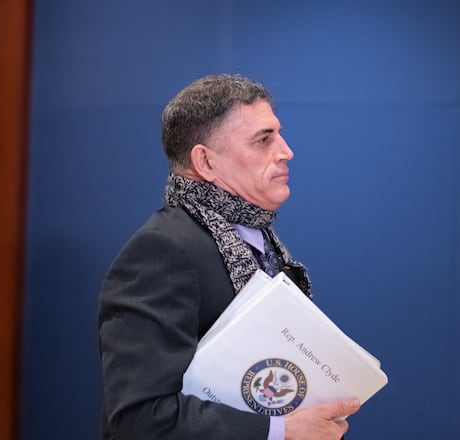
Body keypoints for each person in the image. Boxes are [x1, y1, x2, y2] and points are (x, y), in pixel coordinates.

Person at [98, 74, 359, 439]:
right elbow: (141, 418)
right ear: (205, 162)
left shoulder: (258, 240)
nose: (286, 151)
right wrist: (280, 431)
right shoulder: (162, 250)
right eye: (263, 140)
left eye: (279, 134)